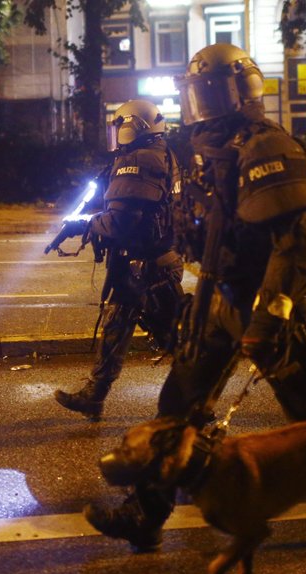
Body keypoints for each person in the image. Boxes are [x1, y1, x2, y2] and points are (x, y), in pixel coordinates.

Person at [84, 43, 306, 552]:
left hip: (270, 306)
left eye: (211, 89)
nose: (203, 101)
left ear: (241, 89)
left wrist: (270, 318)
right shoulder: (204, 151)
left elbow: (296, 247)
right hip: (217, 299)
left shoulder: (266, 146)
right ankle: (145, 515)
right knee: (177, 405)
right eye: (197, 92)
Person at [53, 99, 184, 421]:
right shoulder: (158, 153)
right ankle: (94, 397)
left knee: (176, 340)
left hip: (149, 268)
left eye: (119, 125)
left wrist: (85, 224)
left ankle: (199, 408)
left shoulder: (140, 160)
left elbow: (121, 221)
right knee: (118, 328)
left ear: (132, 126)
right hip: (149, 264)